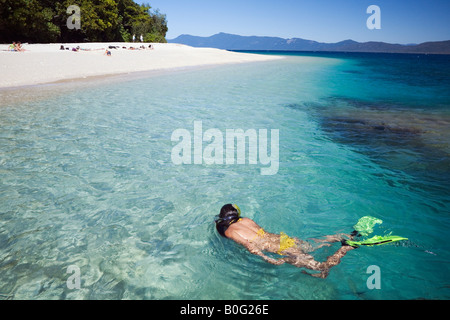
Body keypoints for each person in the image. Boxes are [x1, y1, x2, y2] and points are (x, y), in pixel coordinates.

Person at [215, 204, 355, 278]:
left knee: (322, 266)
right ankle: (340, 236)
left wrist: (266, 258)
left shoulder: (229, 231)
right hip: (284, 239)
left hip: (280, 249)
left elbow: (249, 246)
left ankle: (346, 247)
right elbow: (263, 234)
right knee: (313, 246)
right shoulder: (246, 220)